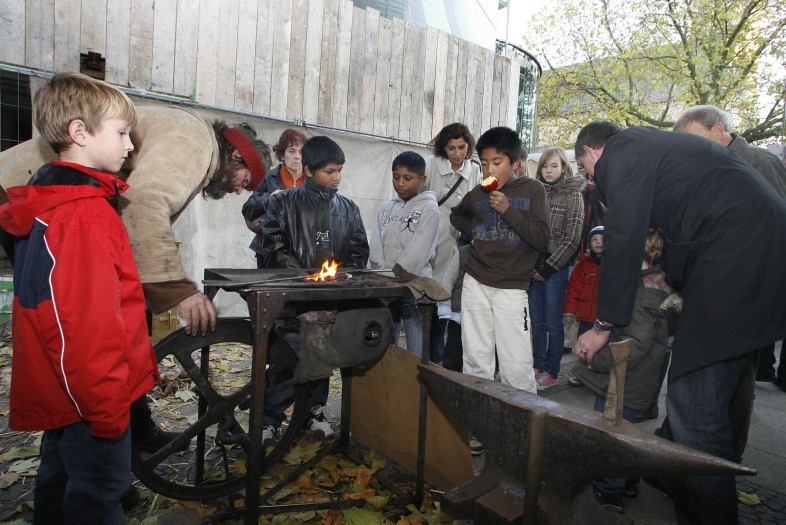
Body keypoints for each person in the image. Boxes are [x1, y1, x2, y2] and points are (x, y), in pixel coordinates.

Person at [573, 121, 786, 525]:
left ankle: (705, 508)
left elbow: (624, 238)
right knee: (708, 400)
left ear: (593, 151)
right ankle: (672, 474)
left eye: (585, 168)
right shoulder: (651, 146)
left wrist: (603, 324)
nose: (591, 179)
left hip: (735, 255)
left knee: (695, 407)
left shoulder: (621, 153)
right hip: (754, 252)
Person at [0, 72, 159, 524]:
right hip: (93, 396)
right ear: (79, 132)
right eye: (122, 133)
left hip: (65, 391)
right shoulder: (83, 216)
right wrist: (107, 409)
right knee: (98, 495)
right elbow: (86, 328)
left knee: (58, 476)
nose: (130, 145)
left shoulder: (51, 201)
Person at [0, 104, 272, 338]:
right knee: (66, 321)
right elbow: (143, 205)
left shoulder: (198, 143)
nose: (239, 191)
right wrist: (177, 290)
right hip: (23, 196)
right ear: (236, 156)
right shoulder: (195, 143)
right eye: (245, 181)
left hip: (41, 205)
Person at [260, 135, 369, 443]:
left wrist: (342, 277)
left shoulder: (348, 209)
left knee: (322, 356)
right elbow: (272, 246)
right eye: (329, 171)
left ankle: (314, 411)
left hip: (330, 299)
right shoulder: (283, 202)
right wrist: (304, 277)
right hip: (292, 299)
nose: (336, 178)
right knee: (287, 358)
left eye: (339, 171)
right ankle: (270, 417)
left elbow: (359, 251)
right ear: (308, 170)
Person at [674, 105, 786, 393]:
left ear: (719, 130)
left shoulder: (759, 163)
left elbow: (776, 224)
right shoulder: (708, 166)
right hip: (718, 281)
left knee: (738, 372)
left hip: (749, 281)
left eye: (693, 138)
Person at [573, 225, 673, 514]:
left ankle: (607, 492)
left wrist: (596, 360)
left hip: (625, 380)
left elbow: (634, 344)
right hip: (631, 379)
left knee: (609, 437)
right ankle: (626, 481)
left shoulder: (645, 291)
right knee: (623, 433)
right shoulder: (651, 281)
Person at [449, 126, 550, 397]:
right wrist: (478, 229)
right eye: (484, 164)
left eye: (497, 162)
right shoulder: (479, 192)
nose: (489, 170)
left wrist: (507, 210)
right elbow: (456, 215)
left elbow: (542, 239)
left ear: (515, 163)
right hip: (475, 282)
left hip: (512, 287)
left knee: (516, 363)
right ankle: (476, 412)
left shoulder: (533, 190)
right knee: (475, 358)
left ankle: (521, 415)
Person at [368, 151, 439, 357]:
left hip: (412, 288)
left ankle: (415, 376)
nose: (400, 183)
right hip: (385, 287)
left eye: (408, 178)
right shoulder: (385, 209)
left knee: (415, 347)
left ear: (422, 179)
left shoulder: (429, 209)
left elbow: (419, 251)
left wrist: (396, 277)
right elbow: (375, 244)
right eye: (396, 177)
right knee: (385, 343)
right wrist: (381, 274)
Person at [425, 123, 482, 363]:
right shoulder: (431, 165)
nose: (457, 153)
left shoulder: (475, 170)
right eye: (451, 148)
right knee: (429, 299)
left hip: (459, 240)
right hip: (431, 237)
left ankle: (446, 361)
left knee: (451, 301)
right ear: (443, 148)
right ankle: (430, 356)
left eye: (461, 147)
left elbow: (478, 206)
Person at [529, 147, 585, 390]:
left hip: (556, 267)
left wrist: (548, 269)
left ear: (564, 167)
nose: (549, 171)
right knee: (536, 322)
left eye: (554, 166)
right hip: (533, 265)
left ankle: (551, 371)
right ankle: (537, 366)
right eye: (545, 166)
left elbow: (572, 239)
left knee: (553, 322)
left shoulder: (573, 195)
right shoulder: (535, 192)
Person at [243, 128, 308, 268]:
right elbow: (248, 210)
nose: (297, 156)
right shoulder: (269, 178)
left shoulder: (312, 181)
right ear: (282, 155)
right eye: (291, 151)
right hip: (268, 251)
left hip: (302, 253)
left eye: (301, 152)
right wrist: (269, 198)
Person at [564, 225, 604, 338]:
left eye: (602, 239)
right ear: (589, 243)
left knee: (603, 346)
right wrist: (570, 311)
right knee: (583, 344)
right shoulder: (583, 264)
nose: (598, 242)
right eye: (594, 239)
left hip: (604, 319)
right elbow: (574, 289)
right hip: (586, 317)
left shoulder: (613, 264)